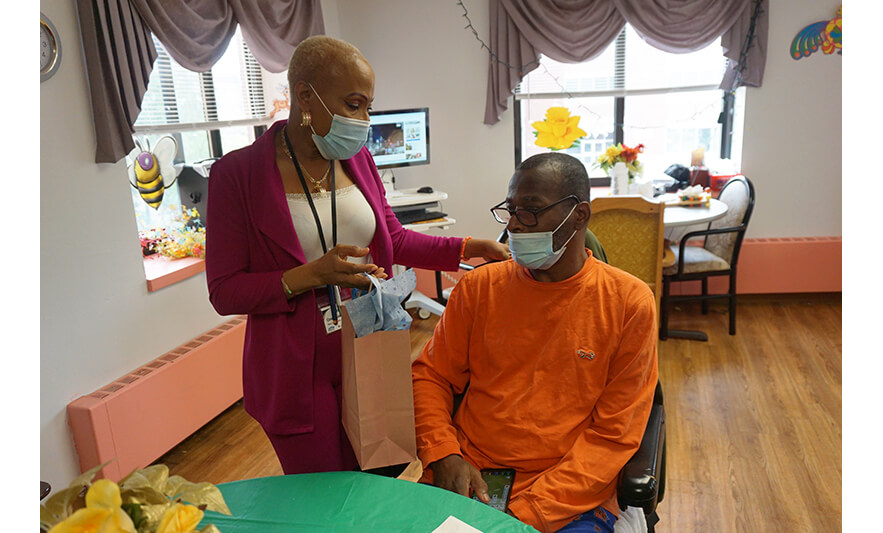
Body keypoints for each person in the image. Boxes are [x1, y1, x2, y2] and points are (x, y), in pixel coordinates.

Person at [205, 35, 508, 475]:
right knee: (328, 499)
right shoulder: (237, 175)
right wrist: (310, 275)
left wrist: (467, 247)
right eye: (353, 104)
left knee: (380, 479)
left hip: (369, 342)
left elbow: (394, 239)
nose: (365, 119)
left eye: (368, 105)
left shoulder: (357, 158)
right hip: (294, 367)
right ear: (307, 97)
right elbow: (225, 291)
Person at [412, 153, 658, 533]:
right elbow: (431, 377)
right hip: (470, 476)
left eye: (530, 210)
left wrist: (522, 515)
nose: (513, 225)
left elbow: (614, 435)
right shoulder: (479, 289)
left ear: (579, 216)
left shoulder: (628, 303)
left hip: (568, 494)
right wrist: (444, 455)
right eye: (510, 210)